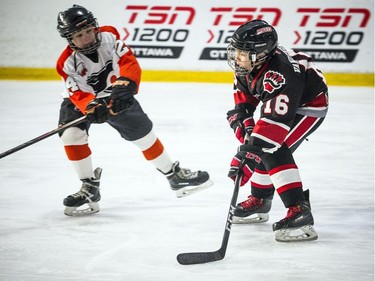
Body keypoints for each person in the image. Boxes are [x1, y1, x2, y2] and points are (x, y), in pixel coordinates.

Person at [55, 5, 212, 216]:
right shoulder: (66, 63)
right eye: (78, 36)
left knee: (143, 135)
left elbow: (128, 63)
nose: (86, 39)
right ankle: (89, 187)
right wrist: (91, 106)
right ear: (69, 39)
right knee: (71, 135)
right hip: (80, 101)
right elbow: (78, 93)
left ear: (95, 27)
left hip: (114, 92)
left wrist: (125, 85)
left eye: (87, 31)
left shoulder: (109, 37)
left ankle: (173, 175)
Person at [226, 20, 328, 242]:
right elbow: (242, 108)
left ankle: (299, 211)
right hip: (283, 104)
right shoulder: (247, 65)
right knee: (260, 145)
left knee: (272, 148)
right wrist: (247, 138)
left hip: (308, 104)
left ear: (260, 54)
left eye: (243, 53)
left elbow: (273, 126)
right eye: (236, 51)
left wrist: (250, 152)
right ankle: (261, 201)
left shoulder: (279, 73)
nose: (237, 57)